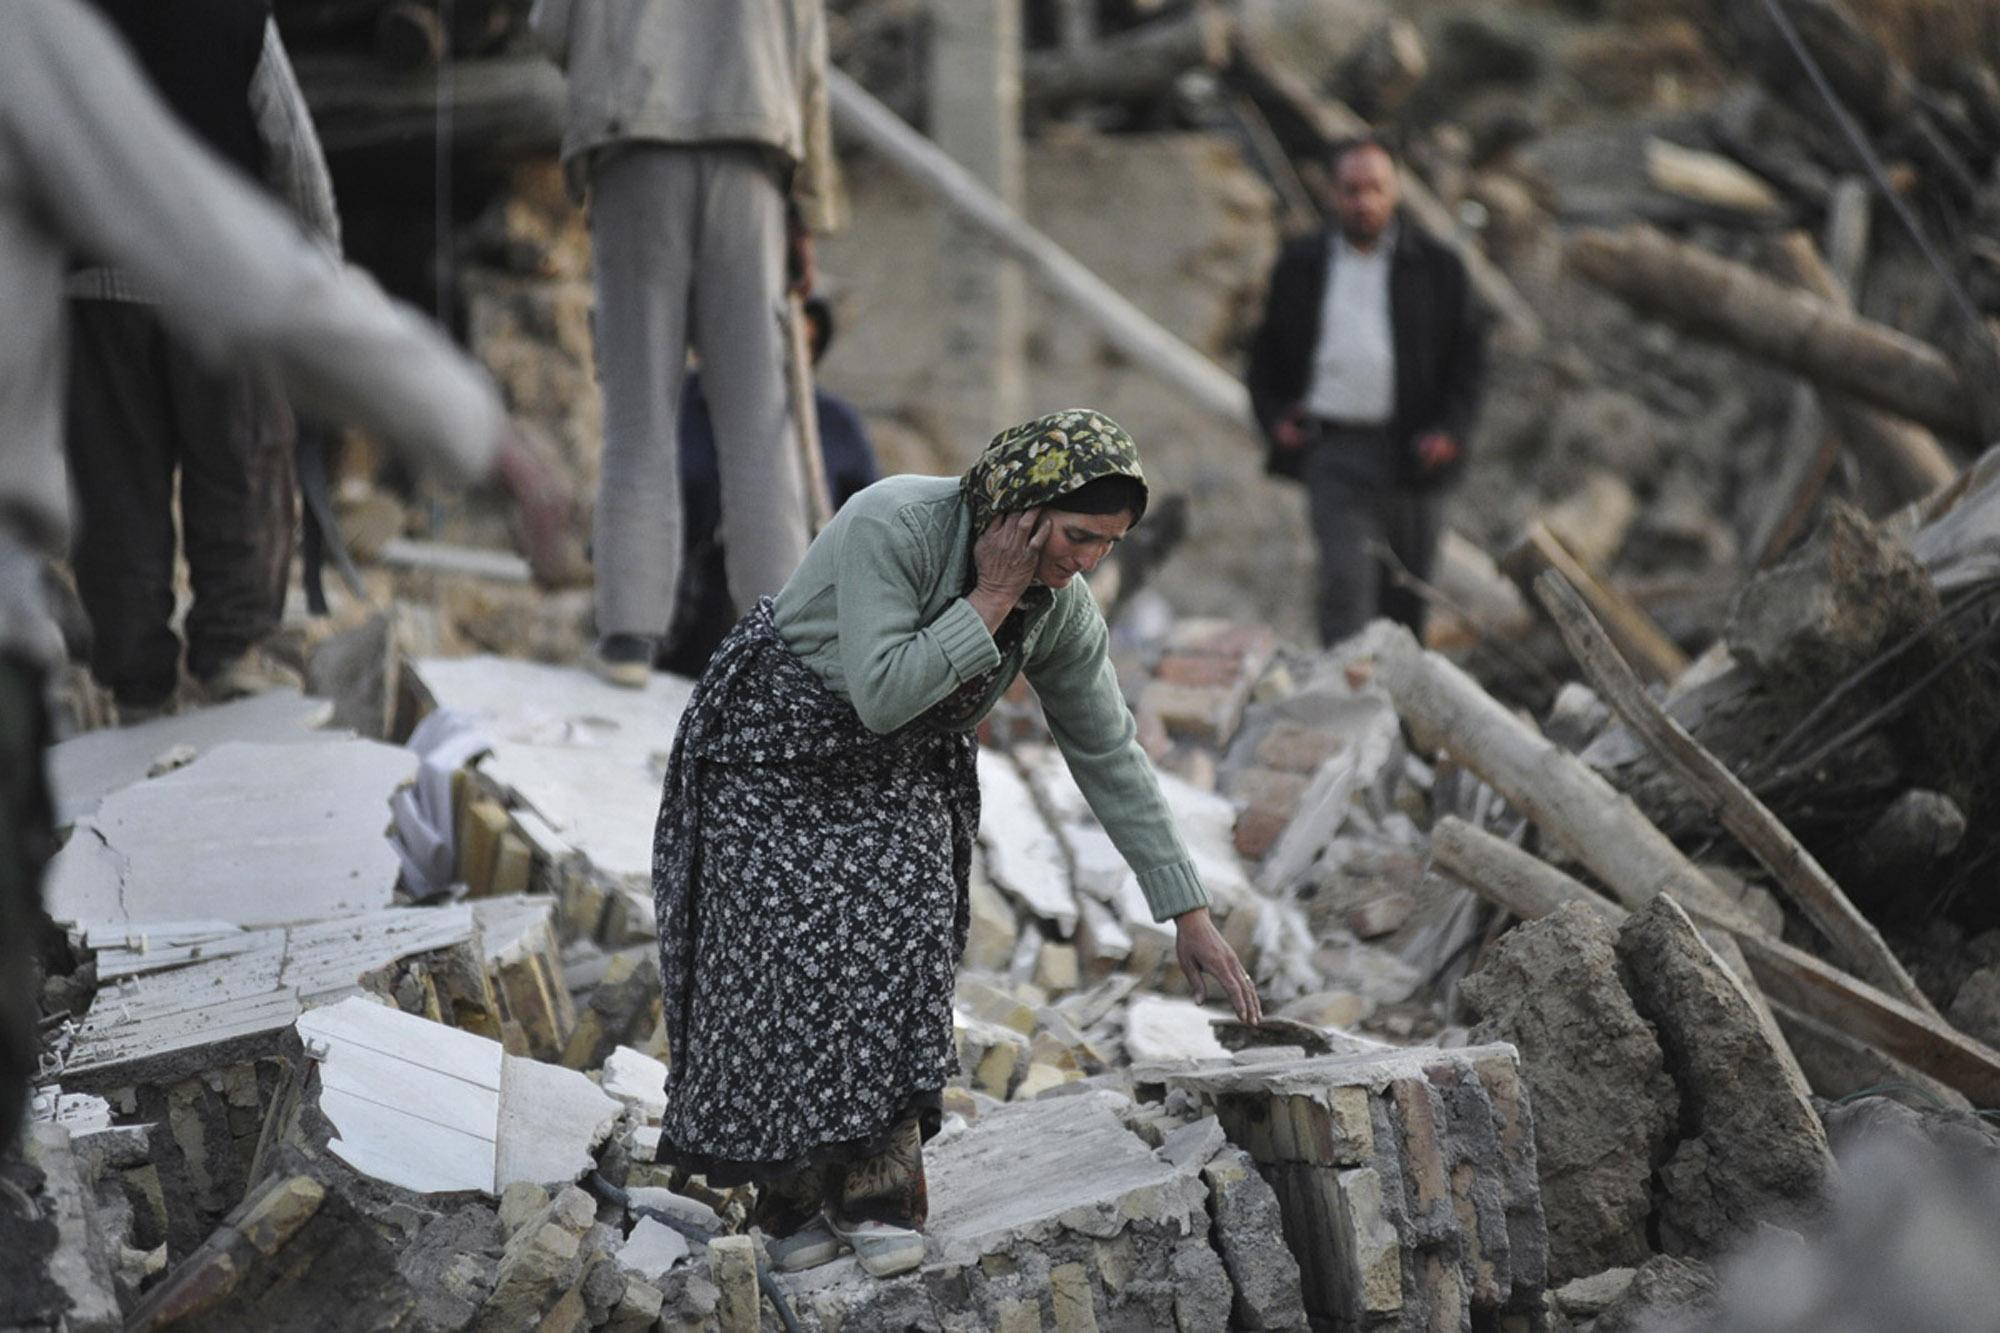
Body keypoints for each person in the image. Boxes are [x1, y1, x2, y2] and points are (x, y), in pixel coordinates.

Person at [0, 0, 571, 1152]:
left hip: (82, 298)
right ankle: (225, 672)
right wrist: (450, 403)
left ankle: (141, 678)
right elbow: (278, 176)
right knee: (230, 481)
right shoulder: (94, 28)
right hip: (181, 283)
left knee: (118, 502)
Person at [651, 409, 1262, 1277]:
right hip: (773, 743)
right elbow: (883, 691)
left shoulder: (1062, 608)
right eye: (1078, 535)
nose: (1087, 561)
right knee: (783, 957)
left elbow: (1107, 749)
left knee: (907, 934)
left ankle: (875, 1194)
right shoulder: (893, 524)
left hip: (899, 760)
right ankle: (788, 1200)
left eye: (1109, 545)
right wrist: (990, 598)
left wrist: (1186, 910)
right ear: (1021, 503)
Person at [528, 0, 845, 687]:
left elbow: (551, 27)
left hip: (633, 142)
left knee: (638, 413)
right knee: (761, 427)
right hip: (752, 152)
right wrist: (811, 208)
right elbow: (808, 60)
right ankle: (784, 649)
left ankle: (629, 639)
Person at [67, 0, 343, 719]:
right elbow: (295, 156)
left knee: (116, 490)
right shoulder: (237, 13)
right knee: (241, 467)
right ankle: (235, 658)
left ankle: (136, 686)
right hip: (218, 276)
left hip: (97, 280)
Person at [1246, 135, 1487, 648]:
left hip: (1412, 454)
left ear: (1395, 189)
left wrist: (1451, 430)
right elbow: (1263, 354)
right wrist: (1274, 419)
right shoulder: (1301, 264)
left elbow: (1469, 361)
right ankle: (1344, 708)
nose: (1364, 202)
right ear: (1332, 193)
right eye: (1351, 190)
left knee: (1404, 599)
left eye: (1375, 188)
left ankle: (1398, 716)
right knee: (1344, 588)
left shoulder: (1437, 267)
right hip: (1333, 451)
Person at [659, 296, 879, 677]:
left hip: (790, 624)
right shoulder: (684, 405)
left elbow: (865, 534)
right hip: (684, 619)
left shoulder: (835, 425)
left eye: (803, 343)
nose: (788, 356)